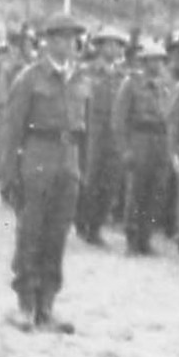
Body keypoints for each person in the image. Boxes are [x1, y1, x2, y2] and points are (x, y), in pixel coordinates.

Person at [0, 12, 90, 334]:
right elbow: (11, 130)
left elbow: (84, 130)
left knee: (57, 236)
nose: (68, 44)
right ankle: (25, 305)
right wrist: (7, 176)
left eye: (72, 38)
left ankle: (47, 305)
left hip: (68, 162)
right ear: (48, 41)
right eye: (61, 37)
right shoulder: (30, 78)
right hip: (38, 157)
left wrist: (82, 170)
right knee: (31, 233)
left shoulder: (80, 80)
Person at [112, 40, 175, 255]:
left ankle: (145, 237)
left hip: (161, 141)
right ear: (144, 61)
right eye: (152, 60)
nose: (156, 64)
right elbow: (119, 119)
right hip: (140, 139)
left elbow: (171, 117)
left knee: (156, 192)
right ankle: (131, 237)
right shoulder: (131, 84)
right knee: (136, 190)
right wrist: (125, 149)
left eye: (160, 60)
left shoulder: (167, 85)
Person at [77, 25, 130, 245]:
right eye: (108, 43)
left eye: (117, 44)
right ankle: (83, 222)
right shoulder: (86, 72)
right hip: (92, 132)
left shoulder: (124, 77)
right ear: (98, 47)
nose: (113, 48)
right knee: (89, 178)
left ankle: (96, 225)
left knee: (111, 181)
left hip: (114, 134)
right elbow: (79, 103)